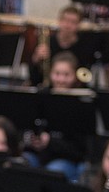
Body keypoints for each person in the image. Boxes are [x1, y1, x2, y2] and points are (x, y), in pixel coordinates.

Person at [22, 52, 90, 183]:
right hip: (39, 155)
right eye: (57, 74)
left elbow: (80, 150)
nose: (61, 80)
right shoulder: (42, 96)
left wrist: (51, 142)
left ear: (75, 76)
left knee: (51, 173)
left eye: (66, 75)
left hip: (66, 159)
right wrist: (33, 140)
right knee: (20, 165)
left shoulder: (82, 102)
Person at [28, 6, 94, 86]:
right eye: (65, 20)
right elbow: (34, 76)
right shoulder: (47, 42)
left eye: (73, 22)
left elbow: (85, 76)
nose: (68, 25)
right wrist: (36, 58)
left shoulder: (85, 46)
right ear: (59, 21)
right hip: (50, 87)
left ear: (78, 25)